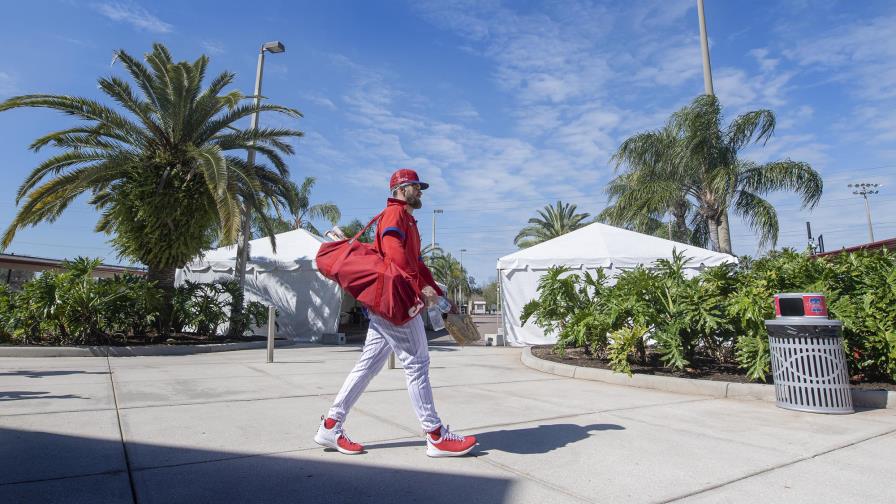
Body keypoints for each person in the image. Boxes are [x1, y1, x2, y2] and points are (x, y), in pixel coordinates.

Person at [314, 168, 477, 458]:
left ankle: (331, 424)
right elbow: (394, 254)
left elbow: (417, 264)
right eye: (416, 186)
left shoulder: (407, 220)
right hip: (396, 303)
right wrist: (419, 289)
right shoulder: (396, 215)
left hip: (391, 301)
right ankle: (436, 435)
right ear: (401, 188)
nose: (420, 192)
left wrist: (440, 295)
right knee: (417, 363)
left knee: (368, 366)